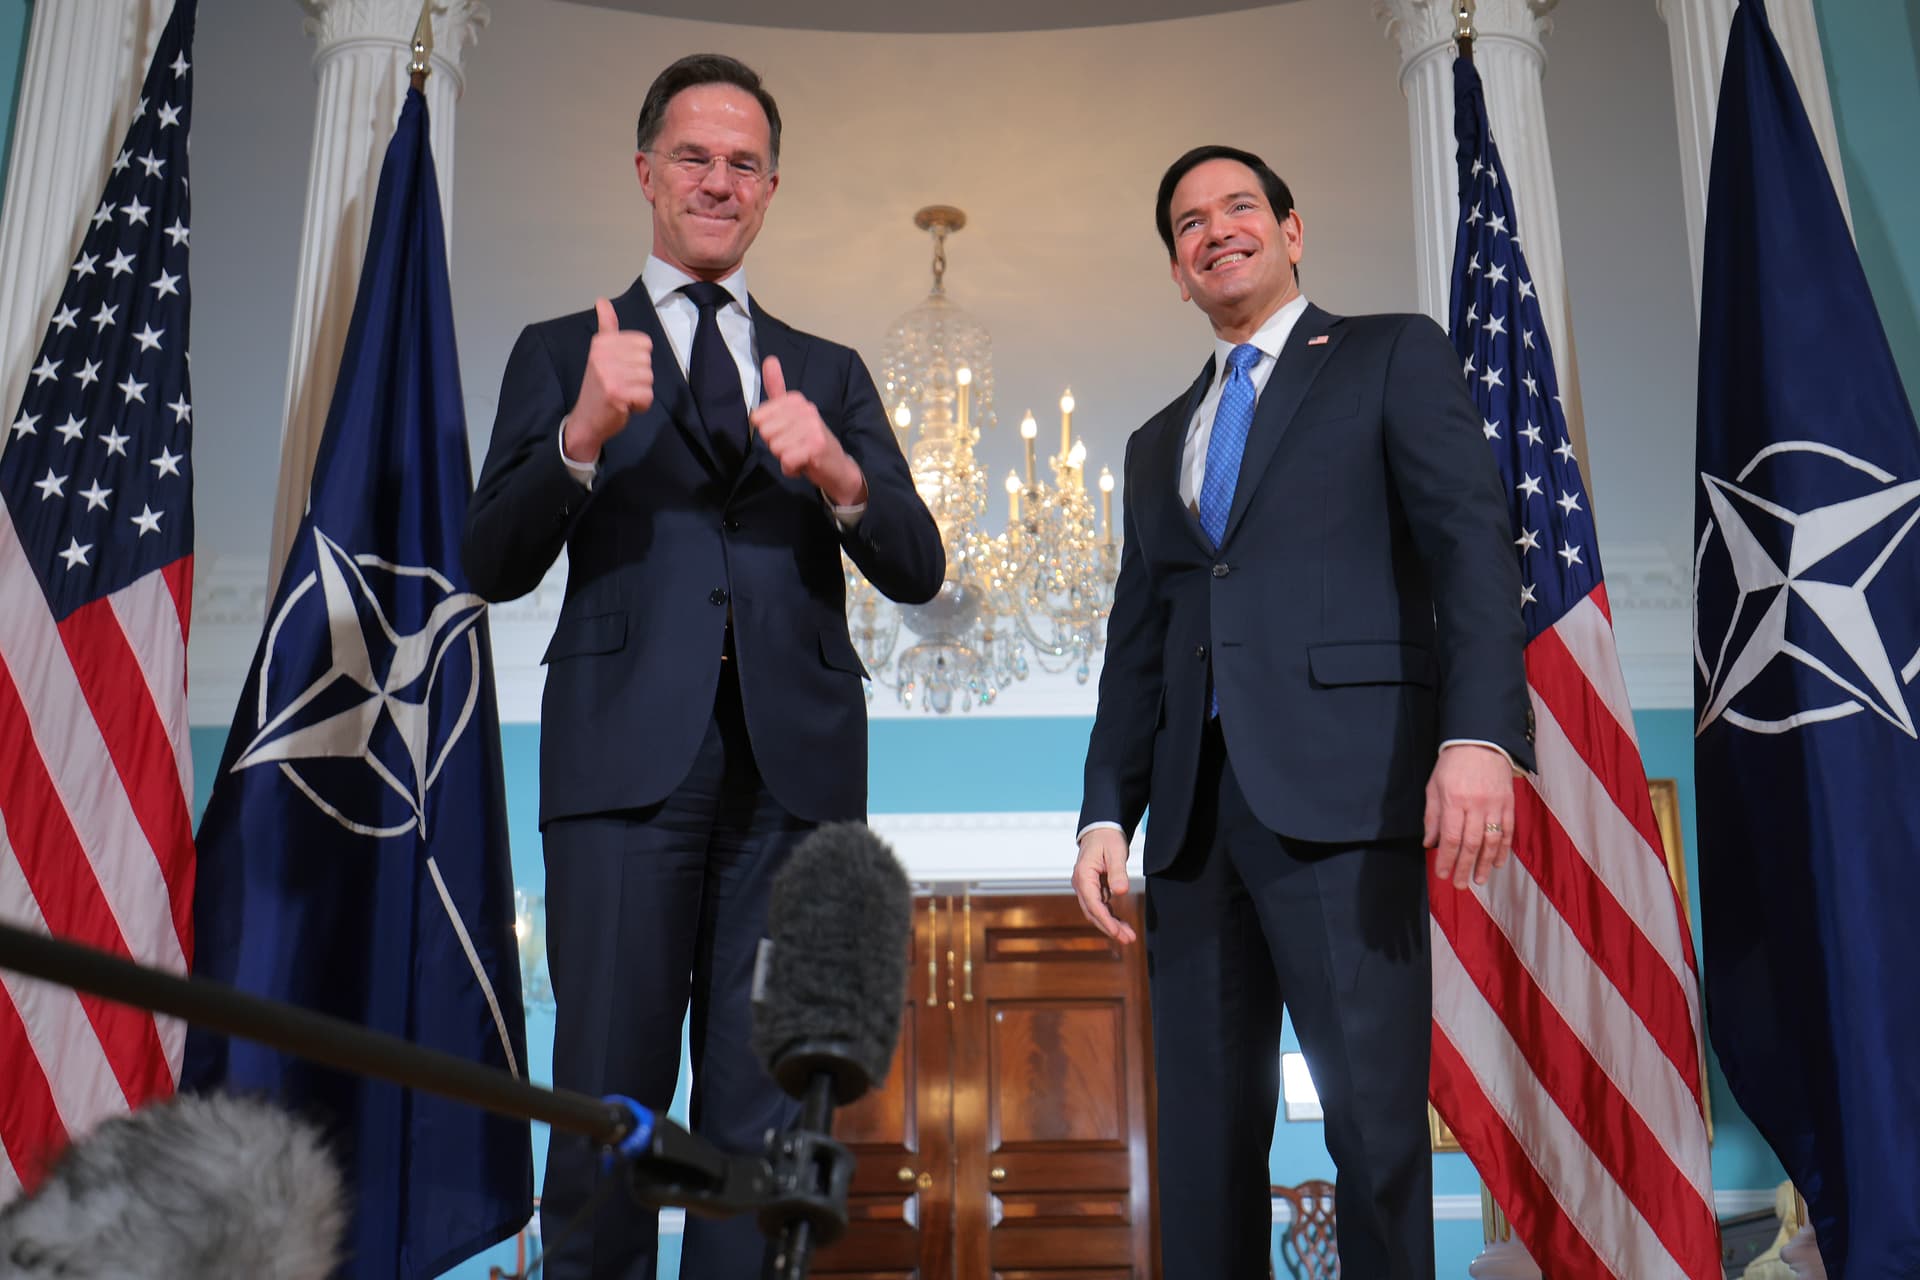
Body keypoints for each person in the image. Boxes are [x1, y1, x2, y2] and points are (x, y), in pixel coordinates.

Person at [463, 54, 944, 1279]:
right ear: (646, 172)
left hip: (794, 786)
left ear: (771, 188)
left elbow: (922, 565)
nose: (717, 181)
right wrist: (579, 438)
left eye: (743, 163)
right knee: (608, 1093)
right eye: (694, 156)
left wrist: (838, 474)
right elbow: (488, 560)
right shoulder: (562, 346)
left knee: (762, 1115)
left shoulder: (827, 369)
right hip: (624, 771)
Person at [1070, 144, 1534, 1279]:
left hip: (1345, 794)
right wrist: (1100, 816)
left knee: (1373, 1127)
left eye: (1239, 207)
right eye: (1188, 222)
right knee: (1201, 1147)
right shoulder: (1151, 445)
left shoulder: (1387, 355)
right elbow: (1137, 650)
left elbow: (1470, 544)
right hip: (1188, 828)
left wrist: (1477, 735)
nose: (1215, 229)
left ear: (1291, 230)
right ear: (1177, 271)